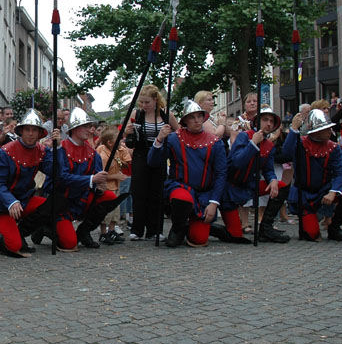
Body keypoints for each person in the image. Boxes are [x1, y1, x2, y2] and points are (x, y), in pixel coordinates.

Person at [0, 109, 60, 256]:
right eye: (27, 130)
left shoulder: (42, 151)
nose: (30, 133)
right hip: (2, 203)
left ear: (39, 133)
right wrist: (10, 202)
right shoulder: (5, 152)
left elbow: (55, 172)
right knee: (13, 246)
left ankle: (20, 233)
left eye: (34, 130)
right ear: (21, 131)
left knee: (51, 205)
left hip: (23, 199)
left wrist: (57, 148)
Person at [34, 108, 127, 250]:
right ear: (75, 129)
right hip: (61, 201)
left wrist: (99, 187)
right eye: (86, 126)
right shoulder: (60, 148)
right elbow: (61, 178)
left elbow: (96, 179)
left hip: (81, 197)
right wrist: (92, 180)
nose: (91, 130)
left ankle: (84, 232)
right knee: (70, 243)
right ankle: (46, 226)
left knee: (108, 196)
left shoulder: (92, 153)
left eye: (90, 127)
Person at [148, 100, 228, 248]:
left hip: (205, 195)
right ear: (185, 120)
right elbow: (153, 162)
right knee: (181, 197)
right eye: (192, 117)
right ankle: (178, 228)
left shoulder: (215, 142)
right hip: (181, 187)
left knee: (199, 239)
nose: (197, 120)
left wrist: (214, 202)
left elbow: (221, 174)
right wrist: (159, 139)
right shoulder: (173, 138)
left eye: (199, 116)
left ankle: (204, 227)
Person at [217, 108, 300, 244]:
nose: (268, 124)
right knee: (236, 236)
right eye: (265, 120)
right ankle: (214, 229)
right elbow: (237, 162)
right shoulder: (244, 136)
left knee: (281, 186)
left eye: (271, 121)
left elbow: (268, 169)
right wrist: (253, 143)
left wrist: (272, 179)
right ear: (257, 121)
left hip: (249, 187)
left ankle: (266, 227)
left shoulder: (269, 146)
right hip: (230, 190)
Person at [282, 109, 342, 242]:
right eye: (325, 129)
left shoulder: (334, 148)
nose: (329, 131)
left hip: (324, 191)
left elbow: (340, 173)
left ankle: (334, 226)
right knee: (313, 235)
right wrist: (294, 129)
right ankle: (309, 218)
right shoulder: (301, 143)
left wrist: (333, 192)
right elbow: (286, 154)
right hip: (304, 194)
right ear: (316, 131)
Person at [124, 84, 179, 240]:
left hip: (159, 155)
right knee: (139, 191)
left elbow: (179, 132)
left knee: (157, 192)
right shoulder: (137, 114)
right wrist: (128, 132)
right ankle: (137, 229)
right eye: (141, 102)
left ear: (155, 100)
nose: (143, 106)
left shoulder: (166, 115)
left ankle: (155, 229)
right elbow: (126, 135)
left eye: (147, 102)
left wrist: (169, 135)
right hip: (141, 154)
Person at [96, 128, 131, 244]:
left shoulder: (115, 152)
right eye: (118, 140)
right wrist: (116, 176)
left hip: (116, 187)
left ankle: (111, 231)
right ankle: (103, 233)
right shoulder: (104, 156)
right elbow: (101, 175)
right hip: (107, 187)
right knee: (107, 213)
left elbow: (121, 162)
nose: (121, 142)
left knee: (116, 212)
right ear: (110, 143)